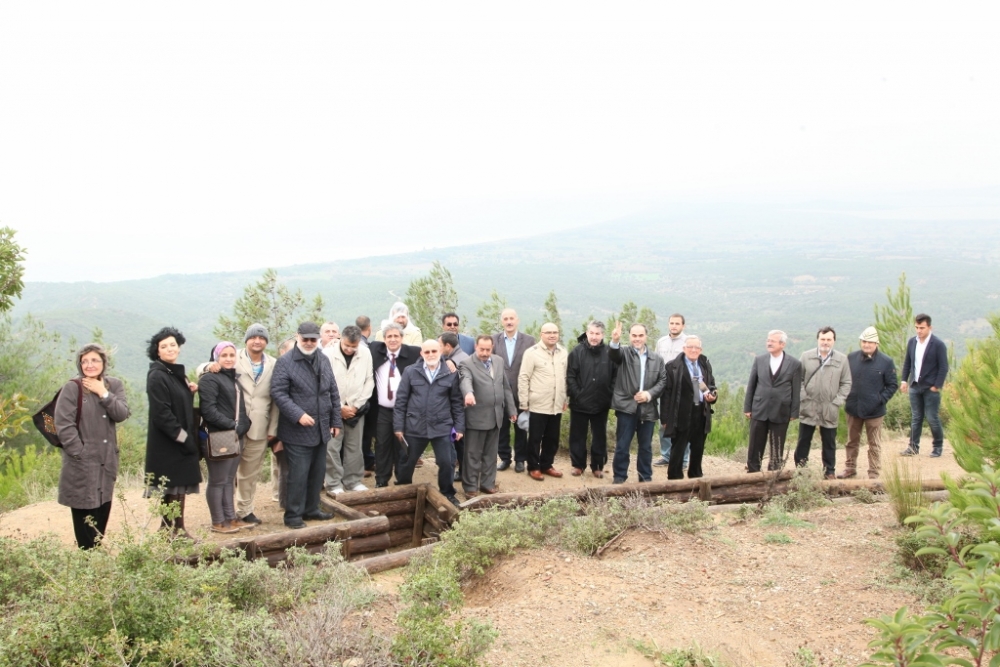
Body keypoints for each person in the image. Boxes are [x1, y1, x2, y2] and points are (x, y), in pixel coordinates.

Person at [196, 323, 278, 526]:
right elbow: (203, 368)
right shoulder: (233, 356)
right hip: (229, 427)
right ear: (246, 340)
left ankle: (244, 510)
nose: (257, 341)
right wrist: (207, 366)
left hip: (259, 425)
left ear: (266, 342)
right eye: (253, 337)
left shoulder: (274, 364)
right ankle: (224, 514)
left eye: (261, 338)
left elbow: (277, 398)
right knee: (226, 474)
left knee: (249, 473)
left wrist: (273, 429)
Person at [54, 343, 130, 549]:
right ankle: (87, 562)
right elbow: (63, 424)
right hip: (81, 464)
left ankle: (94, 558)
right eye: (85, 361)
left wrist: (103, 393)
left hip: (106, 461)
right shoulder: (73, 388)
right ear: (79, 364)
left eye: (94, 360)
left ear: (104, 363)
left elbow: (121, 414)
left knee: (102, 510)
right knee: (84, 515)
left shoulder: (114, 385)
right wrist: (80, 452)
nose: (89, 365)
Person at [270, 322, 342, 529]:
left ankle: (311, 509)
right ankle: (293, 515)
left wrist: (335, 420)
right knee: (298, 474)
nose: (310, 343)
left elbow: (333, 392)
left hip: (321, 428)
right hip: (296, 430)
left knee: (317, 472)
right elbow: (279, 393)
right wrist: (298, 414)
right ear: (297, 337)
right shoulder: (285, 362)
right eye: (305, 339)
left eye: (313, 339)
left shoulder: (323, 359)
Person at [145, 326, 202, 537]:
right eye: (164, 346)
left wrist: (190, 392)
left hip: (178, 440)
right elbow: (162, 414)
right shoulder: (157, 376)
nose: (170, 349)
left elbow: (179, 404)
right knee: (170, 487)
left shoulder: (175, 374)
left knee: (177, 487)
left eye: (173, 345)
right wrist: (183, 437)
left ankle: (175, 530)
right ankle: (170, 530)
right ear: (157, 351)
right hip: (168, 442)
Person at [393, 339, 465, 505]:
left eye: (434, 351)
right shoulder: (410, 371)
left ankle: (447, 493)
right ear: (421, 353)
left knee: (447, 462)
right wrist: (398, 426)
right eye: (427, 352)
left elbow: (456, 402)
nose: (431, 354)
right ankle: (404, 491)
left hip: (441, 426)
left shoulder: (450, 372)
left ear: (440, 351)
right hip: (414, 426)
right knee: (406, 461)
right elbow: (401, 401)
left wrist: (459, 426)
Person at [197, 342, 253, 534]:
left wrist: (244, 426)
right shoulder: (209, 379)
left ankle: (230, 517)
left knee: (229, 479)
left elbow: (239, 407)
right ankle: (218, 521)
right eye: (224, 355)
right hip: (218, 436)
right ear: (216, 358)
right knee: (217, 480)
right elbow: (209, 410)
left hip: (235, 435)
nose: (229, 358)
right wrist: (233, 426)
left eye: (231, 355)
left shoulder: (232, 379)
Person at [609, 322, 667, 484]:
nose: (637, 339)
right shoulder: (624, 353)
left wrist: (649, 394)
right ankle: (619, 478)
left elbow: (663, 381)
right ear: (629, 336)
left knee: (646, 447)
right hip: (626, 407)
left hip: (648, 409)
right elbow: (613, 355)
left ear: (646, 337)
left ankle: (645, 478)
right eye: (634, 335)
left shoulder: (656, 358)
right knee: (622, 445)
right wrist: (614, 340)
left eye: (640, 335)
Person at [459, 336, 516, 496]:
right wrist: (468, 393)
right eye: (481, 349)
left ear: (492, 348)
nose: (484, 353)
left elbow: (505, 387)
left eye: (488, 349)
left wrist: (511, 410)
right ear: (476, 347)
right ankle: (470, 487)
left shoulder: (498, 361)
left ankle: (487, 483)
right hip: (476, 416)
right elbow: (465, 380)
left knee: (491, 454)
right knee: (473, 454)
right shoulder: (466, 364)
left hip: (496, 416)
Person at [840, 327, 899, 479]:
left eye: (870, 342)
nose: (866, 344)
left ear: (876, 343)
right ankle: (850, 467)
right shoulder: (851, 358)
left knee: (874, 443)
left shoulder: (886, 361)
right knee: (852, 441)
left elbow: (892, 385)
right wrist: (846, 396)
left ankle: (873, 472)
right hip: (853, 407)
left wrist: (880, 399)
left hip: (875, 411)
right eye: (864, 341)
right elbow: (843, 379)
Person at [794, 327, 852, 479]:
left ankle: (829, 472)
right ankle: (801, 471)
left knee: (829, 441)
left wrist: (836, 402)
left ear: (834, 341)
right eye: (822, 339)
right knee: (804, 440)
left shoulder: (842, 359)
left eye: (828, 339)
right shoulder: (806, 357)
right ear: (818, 340)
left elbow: (846, 382)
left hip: (829, 407)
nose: (825, 342)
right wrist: (804, 398)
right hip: (808, 405)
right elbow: (798, 380)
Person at [368, 323, 422, 487]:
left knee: (403, 445)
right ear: (383, 339)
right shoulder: (374, 350)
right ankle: (381, 480)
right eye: (389, 336)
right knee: (382, 444)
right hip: (383, 409)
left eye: (396, 336)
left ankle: (403, 480)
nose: (392, 339)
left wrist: (449, 362)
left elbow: (432, 354)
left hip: (405, 410)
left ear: (402, 337)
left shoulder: (412, 353)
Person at [323, 325, 374, 495]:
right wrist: (338, 407)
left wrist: (356, 406)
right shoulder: (328, 354)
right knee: (332, 446)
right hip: (333, 408)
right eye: (347, 345)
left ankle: (353, 480)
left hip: (355, 408)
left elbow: (369, 380)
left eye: (354, 346)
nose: (350, 349)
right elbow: (324, 383)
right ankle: (333, 483)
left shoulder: (365, 353)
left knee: (355, 446)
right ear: (340, 339)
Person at [744, 330, 802, 472]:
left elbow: (796, 389)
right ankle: (753, 474)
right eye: (768, 340)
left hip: (781, 410)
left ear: (782, 344)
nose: (769, 343)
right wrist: (747, 407)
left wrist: (794, 411)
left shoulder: (794, 364)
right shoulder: (759, 360)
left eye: (773, 341)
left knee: (777, 445)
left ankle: (774, 476)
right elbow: (752, 384)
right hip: (759, 408)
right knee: (755, 445)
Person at [660, 336, 717, 480]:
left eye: (696, 347)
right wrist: (665, 418)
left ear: (700, 350)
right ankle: (674, 479)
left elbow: (709, 385)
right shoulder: (673, 366)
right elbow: (666, 394)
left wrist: (712, 395)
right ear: (684, 349)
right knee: (678, 448)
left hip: (701, 413)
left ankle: (696, 477)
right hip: (680, 413)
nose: (693, 350)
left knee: (698, 448)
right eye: (690, 347)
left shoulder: (704, 364)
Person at [518, 323, 569, 481]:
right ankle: (533, 467)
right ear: (541, 334)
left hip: (556, 403)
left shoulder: (563, 353)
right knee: (535, 438)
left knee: (552, 438)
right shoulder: (531, 353)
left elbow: (566, 378)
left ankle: (547, 465)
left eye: (555, 332)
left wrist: (566, 398)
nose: (552, 335)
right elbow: (524, 377)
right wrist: (524, 402)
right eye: (548, 332)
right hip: (537, 403)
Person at [565, 320, 612, 478]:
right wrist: (578, 393)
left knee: (599, 436)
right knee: (577, 435)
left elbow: (615, 376)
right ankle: (578, 465)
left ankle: (597, 466)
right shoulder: (577, 352)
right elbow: (570, 376)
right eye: (591, 333)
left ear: (602, 335)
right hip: (579, 403)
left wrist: (608, 393)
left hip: (601, 403)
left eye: (597, 334)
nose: (594, 336)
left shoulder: (609, 352)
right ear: (586, 333)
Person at [492, 308, 536, 472]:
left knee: (521, 428)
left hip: (521, 392)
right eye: (506, 319)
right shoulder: (494, 340)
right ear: (502, 321)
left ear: (517, 320)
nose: (509, 322)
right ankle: (504, 458)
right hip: (499, 393)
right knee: (501, 428)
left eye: (512, 318)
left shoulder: (529, 341)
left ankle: (520, 460)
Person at [900, 314, 949, 458]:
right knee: (916, 417)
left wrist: (937, 385)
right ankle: (913, 447)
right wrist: (904, 381)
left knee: (932, 417)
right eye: (917, 327)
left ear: (929, 327)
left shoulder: (938, 344)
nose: (919, 331)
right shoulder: (912, 342)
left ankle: (937, 447)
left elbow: (943, 367)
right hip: (915, 386)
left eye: (922, 328)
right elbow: (908, 363)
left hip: (930, 387)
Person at [653, 313, 689, 468]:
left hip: (681, 389)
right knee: (664, 423)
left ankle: (683, 459)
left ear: (683, 326)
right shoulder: (661, 342)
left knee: (682, 424)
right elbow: (655, 362)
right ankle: (666, 455)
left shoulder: (687, 342)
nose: (674, 326)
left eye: (677, 323)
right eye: (672, 323)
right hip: (664, 387)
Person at [269, 336, 297, 507]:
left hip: (297, 427)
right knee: (284, 466)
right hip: (280, 426)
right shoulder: (276, 369)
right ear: (282, 352)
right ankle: (285, 502)